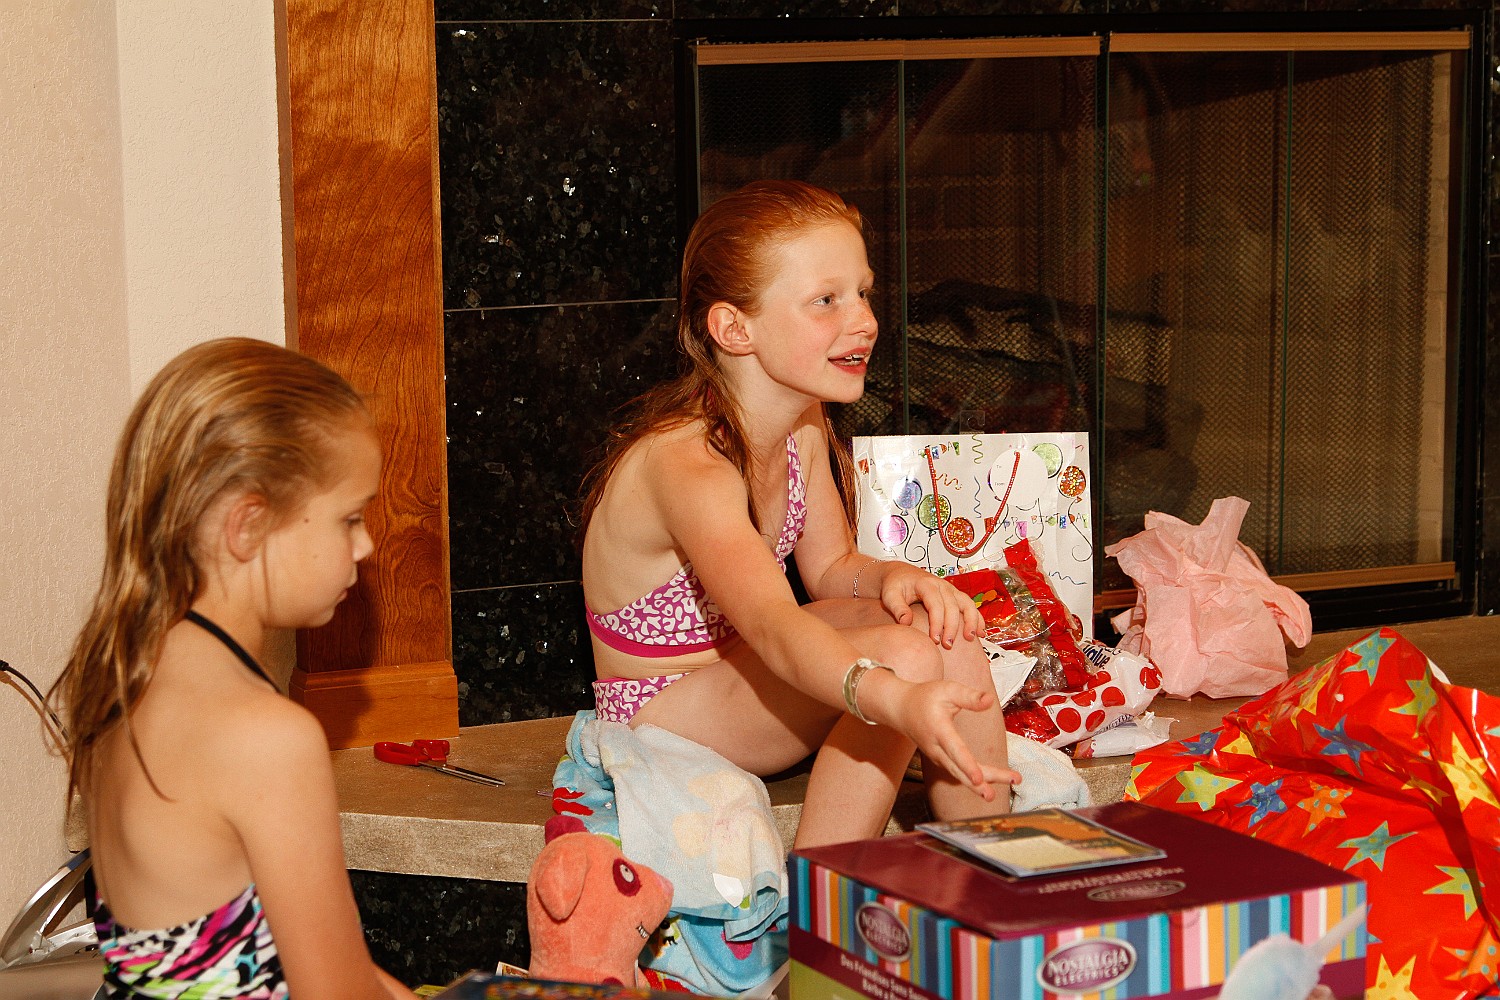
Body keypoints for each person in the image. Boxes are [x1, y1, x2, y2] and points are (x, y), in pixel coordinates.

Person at [579, 180, 1020, 849]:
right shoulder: (688, 466)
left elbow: (831, 568)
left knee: (943, 629)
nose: (865, 320)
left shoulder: (801, 424)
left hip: (750, 669)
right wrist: (896, 700)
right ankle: (821, 888)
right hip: (664, 708)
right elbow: (777, 627)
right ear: (735, 329)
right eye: (826, 300)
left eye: (863, 292)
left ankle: (999, 853)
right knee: (905, 656)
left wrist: (890, 577)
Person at [48, 338, 418, 999]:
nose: (364, 546)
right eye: (350, 518)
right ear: (247, 525)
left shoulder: (130, 672)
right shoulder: (264, 735)